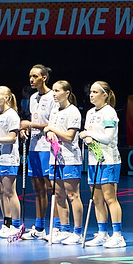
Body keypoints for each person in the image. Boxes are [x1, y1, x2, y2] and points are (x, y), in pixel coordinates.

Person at [83, 81, 126, 249]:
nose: (91, 95)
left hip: (109, 160)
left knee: (110, 198)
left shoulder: (109, 112)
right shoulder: (89, 113)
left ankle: (118, 235)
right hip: (93, 160)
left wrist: (89, 134)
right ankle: (102, 233)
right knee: (96, 199)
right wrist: (87, 138)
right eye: (91, 92)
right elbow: (90, 136)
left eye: (95, 92)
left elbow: (108, 137)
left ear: (105, 95)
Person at [44, 79, 84, 245]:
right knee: (58, 194)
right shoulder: (54, 111)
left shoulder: (73, 111)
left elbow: (69, 136)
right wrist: (49, 133)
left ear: (67, 93)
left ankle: (78, 232)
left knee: (72, 195)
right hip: (55, 158)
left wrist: (51, 129)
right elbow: (49, 131)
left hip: (70, 158)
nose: (54, 93)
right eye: (53, 90)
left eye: (57, 90)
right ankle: (64, 229)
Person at [24, 64, 56, 240]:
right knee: (37, 189)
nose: (31, 79)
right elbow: (34, 121)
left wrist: (30, 125)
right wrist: (26, 130)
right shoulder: (33, 98)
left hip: (48, 147)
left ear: (44, 77)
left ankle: (57, 227)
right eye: (30, 76)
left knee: (51, 188)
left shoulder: (53, 97)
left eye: (35, 76)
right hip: (34, 147)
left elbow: (53, 123)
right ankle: (39, 227)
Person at [0, 86, 24, 237]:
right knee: (1, 192)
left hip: (8, 158)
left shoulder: (12, 115)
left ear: (7, 97)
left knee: (10, 192)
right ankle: (6, 223)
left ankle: (16, 225)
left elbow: (12, 138)